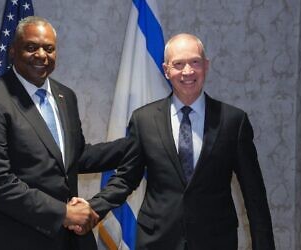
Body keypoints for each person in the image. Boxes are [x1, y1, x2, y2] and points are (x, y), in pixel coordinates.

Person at [87, 33, 275, 250]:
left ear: (206, 65)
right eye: (178, 64)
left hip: (215, 241)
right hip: (157, 240)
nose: (187, 71)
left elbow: (254, 194)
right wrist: (93, 208)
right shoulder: (144, 120)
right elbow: (127, 178)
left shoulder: (234, 121)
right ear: (166, 70)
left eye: (195, 62)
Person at [0, 16, 130, 250]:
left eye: (49, 48)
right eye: (31, 47)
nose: (41, 55)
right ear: (12, 51)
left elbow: (72, 158)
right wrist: (63, 213)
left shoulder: (65, 96)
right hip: (8, 237)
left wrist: (135, 144)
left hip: (63, 239)